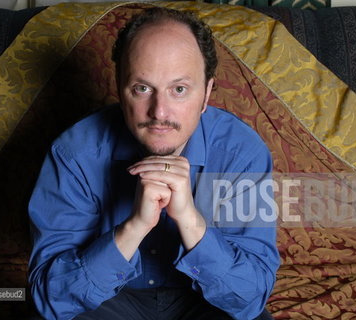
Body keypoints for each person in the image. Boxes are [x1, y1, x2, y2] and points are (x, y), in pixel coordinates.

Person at [28, 7, 280, 320]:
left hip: (202, 302)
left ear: (206, 94)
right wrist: (134, 227)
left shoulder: (240, 154)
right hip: (109, 301)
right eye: (143, 88)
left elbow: (250, 296)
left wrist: (190, 220)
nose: (159, 112)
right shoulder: (75, 153)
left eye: (179, 90)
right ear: (121, 88)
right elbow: (51, 298)